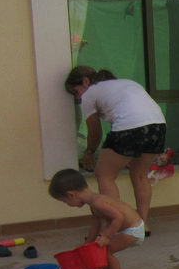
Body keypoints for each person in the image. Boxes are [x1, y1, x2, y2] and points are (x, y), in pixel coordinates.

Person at [64, 66, 167, 234]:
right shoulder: (127, 83)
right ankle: (141, 225)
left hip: (129, 128)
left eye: (76, 92)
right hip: (158, 126)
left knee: (104, 175)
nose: (77, 98)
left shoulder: (90, 92)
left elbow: (95, 132)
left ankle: (117, 222)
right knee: (140, 175)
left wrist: (89, 152)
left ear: (85, 81)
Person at [48, 168, 146, 269]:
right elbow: (95, 225)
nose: (66, 204)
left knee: (105, 251)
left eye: (65, 201)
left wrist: (106, 236)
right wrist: (88, 243)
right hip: (126, 229)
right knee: (98, 247)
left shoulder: (99, 202)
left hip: (133, 230)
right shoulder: (93, 203)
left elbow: (118, 218)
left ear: (71, 195)